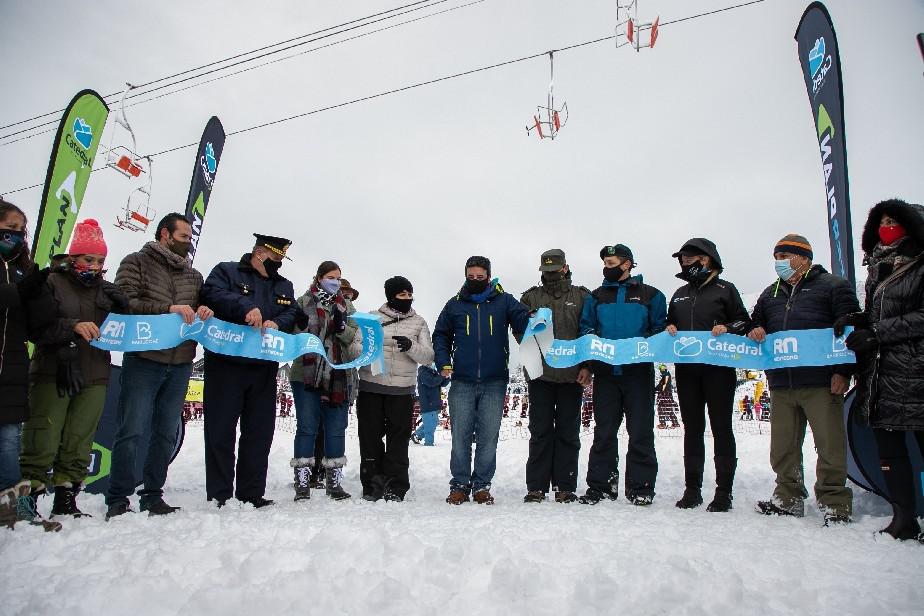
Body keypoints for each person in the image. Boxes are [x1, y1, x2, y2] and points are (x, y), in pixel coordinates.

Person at [105, 213, 214, 520]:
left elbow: (203, 308)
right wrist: (167, 309)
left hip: (180, 362)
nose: (188, 243)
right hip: (144, 359)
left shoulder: (194, 276)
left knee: (165, 432)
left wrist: (206, 309)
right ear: (165, 234)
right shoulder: (135, 262)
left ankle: (153, 493)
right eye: (183, 237)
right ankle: (118, 496)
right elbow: (124, 301)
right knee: (131, 429)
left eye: (190, 238)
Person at [747, 234, 859, 525]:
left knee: (829, 444)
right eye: (776, 258)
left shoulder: (834, 286)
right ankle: (788, 496)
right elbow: (754, 321)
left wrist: (843, 371)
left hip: (821, 381)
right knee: (783, 446)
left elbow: (850, 329)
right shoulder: (770, 293)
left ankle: (834, 501)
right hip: (783, 382)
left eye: (784, 257)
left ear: (804, 258)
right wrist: (755, 328)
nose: (779, 263)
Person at [20, 219, 127, 519]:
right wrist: (73, 326)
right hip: (53, 371)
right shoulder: (51, 283)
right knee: (44, 436)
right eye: (89, 259)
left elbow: (124, 327)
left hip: (94, 372)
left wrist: (124, 306)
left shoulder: (105, 290)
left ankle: (66, 498)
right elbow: (37, 328)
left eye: (100, 261)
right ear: (73, 257)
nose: (94, 266)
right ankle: (28, 499)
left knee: (80, 439)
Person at [838, 199, 924, 541]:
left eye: (893, 220)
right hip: (881, 374)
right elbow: (880, 317)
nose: (886, 227)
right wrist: (858, 320)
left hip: (916, 371)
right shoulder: (878, 268)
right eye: (882, 221)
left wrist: (877, 332)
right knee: (889, 449)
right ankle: (903, 518)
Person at [200, 234, 298, 508]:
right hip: (226, 363)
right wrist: (245, 306)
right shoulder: (226, 271)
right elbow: (211, 293)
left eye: (282, 258)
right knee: (220, 430)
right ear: (260, 252)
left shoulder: (284, 285)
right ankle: (219, 494)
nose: (279, 262)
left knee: (259, 433)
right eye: (276, 257)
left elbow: (293, 313)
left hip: (263, 367)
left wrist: (278, 322)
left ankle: (251, 492)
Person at [433, 255, 530, 505]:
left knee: (488, 437)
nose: (475, 280)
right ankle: (460, 485)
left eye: (480, 276)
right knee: (460, 436)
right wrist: (443, 362)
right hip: (462, 381)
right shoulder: (454, 305)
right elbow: (441, 335)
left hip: (494, 381)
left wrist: (535, 315)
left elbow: (524, 321)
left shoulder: (504, 301)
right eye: (470, 276)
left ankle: (482, 485)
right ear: (465, 276)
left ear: (489, 275)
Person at [578, 244, 666, 506]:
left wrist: (638, 347)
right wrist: (587, 365)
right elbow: (587, 331)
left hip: (638, 373)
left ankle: (641, 487)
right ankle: (601, 486)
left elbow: (659, 330)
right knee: (604, 431)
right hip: (605, 374)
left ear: (627, 264)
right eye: (605, 262)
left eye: (612, 262)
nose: (607, 267)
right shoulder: (596, 297)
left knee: (640, 431)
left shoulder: (651, 295)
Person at [666, 238, 750, 512]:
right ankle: (692, 490)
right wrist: (668, 327)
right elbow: (669, 323)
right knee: (692, 429)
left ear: (707, 259)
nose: (684, 263)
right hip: (687, 371)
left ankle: (724, 492)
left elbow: (743, 321)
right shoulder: (679, 293)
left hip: (719, 370)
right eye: (682, 259)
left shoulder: (726, 290)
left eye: (689, 258)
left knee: (721, 428)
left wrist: (728, 327)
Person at [0, 199, 58, 531]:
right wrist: (20, 291)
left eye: (21, 231)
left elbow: (39, 326)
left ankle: (20, 512)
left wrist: (39, 296)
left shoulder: (24, 269)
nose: (17, 237)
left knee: (10, 441)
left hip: (12, 367)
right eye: (10, 230)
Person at [519, 249, 590, 504]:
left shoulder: (582, 297)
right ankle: (536, 487)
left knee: (568, 433)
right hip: (540, 376)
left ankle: (565, 485)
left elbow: (589, 333)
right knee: (540, 431)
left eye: (554, 270)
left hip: (573, 376)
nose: (550, 275)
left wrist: (588, 366)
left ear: (565, 267)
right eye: (545, 271)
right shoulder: (530, 298)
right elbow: (520, 332)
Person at [354, 276, 434, 501]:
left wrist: (411, 347)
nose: (407, 299)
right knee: (370, 438)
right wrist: (370, 348)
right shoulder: (371, 319)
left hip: (402, 390)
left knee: (398, 441)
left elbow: (428, 356)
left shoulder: (419, 322)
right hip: (371, 386)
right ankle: (371, 484)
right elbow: (354, 348)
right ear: (390, 296)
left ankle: (395, 486)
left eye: (410, 295)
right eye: (402, 295)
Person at [289, 261, 359, 501]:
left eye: (338, 278)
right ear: (319, 278)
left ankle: (335, 483)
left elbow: (353, 337)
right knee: (307, 427)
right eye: (330, 277)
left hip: (339, 373)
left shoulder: (346, 305)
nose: (335, 282)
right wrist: (299, 326)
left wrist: (341, 327)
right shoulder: (303, 302)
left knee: (336, 428)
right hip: (306, 373)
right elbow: (294, 337)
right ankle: (302, 482)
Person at [414, 364, 448, 446]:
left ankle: (417, 435)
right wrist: (442, 375)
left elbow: (441, 383)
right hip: (428, 402)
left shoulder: (433, 372)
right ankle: (429, 444)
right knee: (430, 425)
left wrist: (447, 377)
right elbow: (431, 382)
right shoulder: (423, 371)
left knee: (433, 422)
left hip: (434, 402)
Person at [655, 365, 680, 429]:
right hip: (666, 395)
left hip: (665, 395)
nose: (661, 371)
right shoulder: (665, 376)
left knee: (664, 409)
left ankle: (665, 424)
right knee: (666, 409)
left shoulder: (666, 376)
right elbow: (661, 385)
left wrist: (657, 390)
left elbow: (662, 386)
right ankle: (672, 423)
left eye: (661, 370)